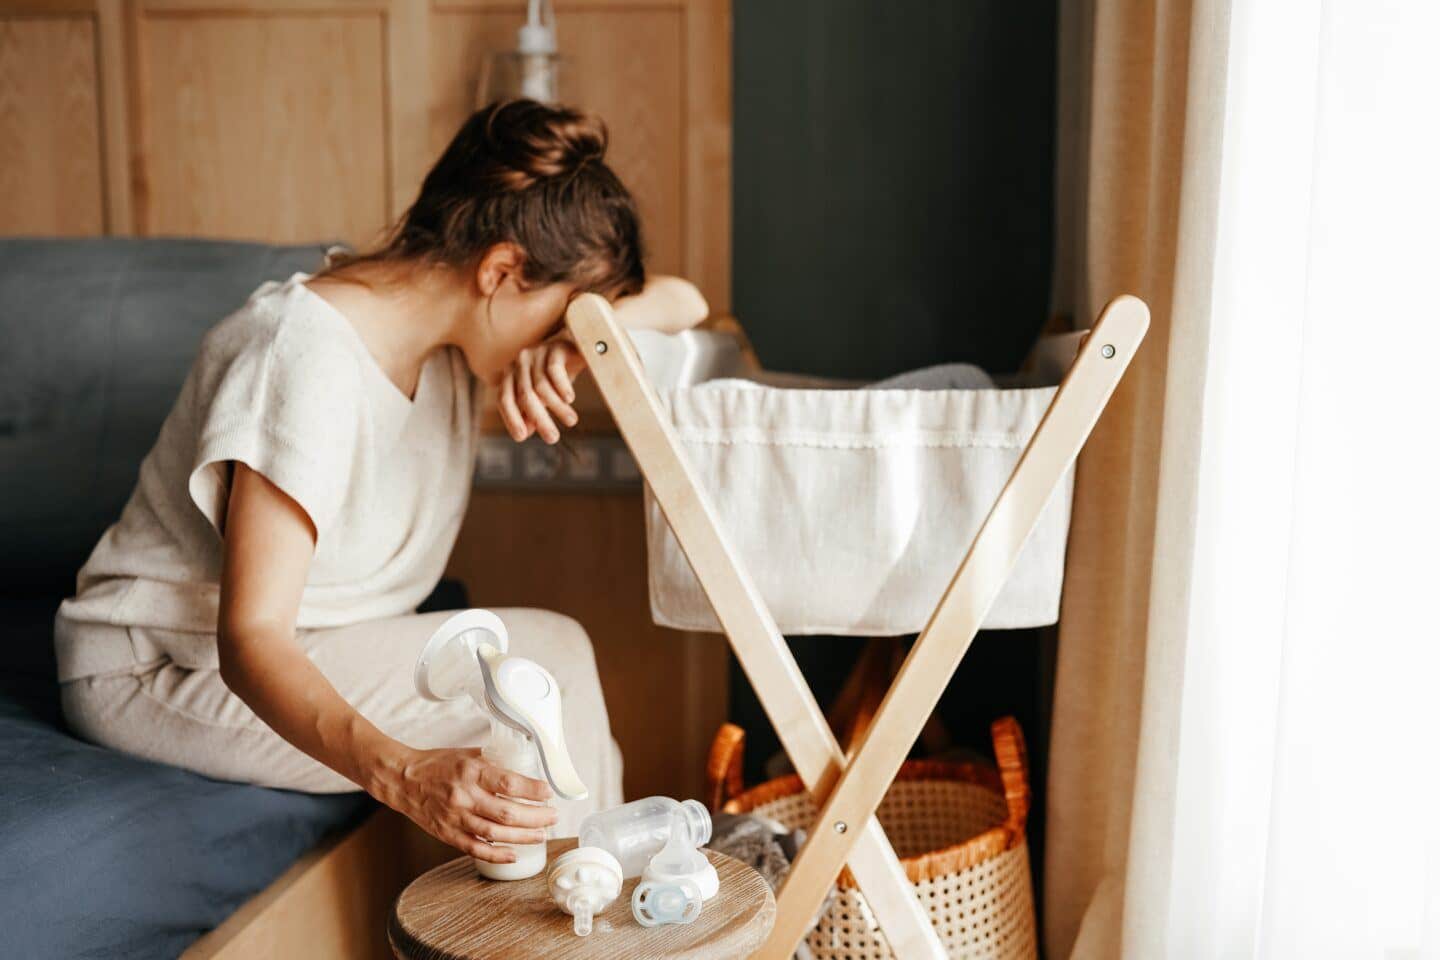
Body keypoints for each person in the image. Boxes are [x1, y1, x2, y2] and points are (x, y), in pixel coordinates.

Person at [53, 99, 709, 864]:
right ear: (500, 270)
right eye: (557, 313)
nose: (558, 337)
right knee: (546, 668)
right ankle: (584, 918)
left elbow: (685, 301)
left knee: (550, 657)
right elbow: (250, 639)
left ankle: (588, 912)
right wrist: (404, 774)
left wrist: (576, 336)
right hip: (161, 668)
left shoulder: (448, 341)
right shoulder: (305, 359)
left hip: (309, 637)